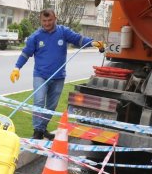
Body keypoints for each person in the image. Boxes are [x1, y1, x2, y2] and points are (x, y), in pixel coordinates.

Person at [10, 9, 104, 140]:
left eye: (49, 20)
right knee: (39, 101)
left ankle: (42, 129)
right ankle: (37, 131)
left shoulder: (63, 32)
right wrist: (16, 68)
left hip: (59, 77)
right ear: (40, 20)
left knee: (51, 107)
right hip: (40, 76)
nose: (47, 23)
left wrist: (93, 42)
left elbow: (78, 39)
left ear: (55, 18)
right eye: (44, 21)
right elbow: (26, 53)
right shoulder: (35, 37)